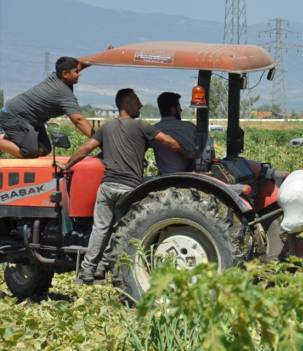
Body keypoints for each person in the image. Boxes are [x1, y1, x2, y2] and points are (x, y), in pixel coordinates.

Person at [59, 88, 185, 283]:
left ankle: (88, 271)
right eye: (137, 102)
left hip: (107, 186)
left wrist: (66, 165)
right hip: (129, 189)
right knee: (119, 231)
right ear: (126, 104)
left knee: (100, 229)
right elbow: (168, 142)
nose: (141, 105)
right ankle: (102, 268)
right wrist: (187, 152)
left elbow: (86, 148)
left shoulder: (106, 128)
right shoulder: (142, 127)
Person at [0, 57, 93, 158]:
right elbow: (78, 120)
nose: (79, 74)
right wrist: (98, 139)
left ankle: (11, 138)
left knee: (44, 149)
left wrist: (104, 55)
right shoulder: (62, 92)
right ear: (65, 74)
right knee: (29, 152)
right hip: (13, 116)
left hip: (31, 120)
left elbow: (80, 64)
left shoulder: (57, 76)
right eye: (76, 72)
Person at [152, 92, 197, 174]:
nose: (181, 110)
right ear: (173, 110)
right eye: (179, 106)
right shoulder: (190, 127)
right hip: (191, 177)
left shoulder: (154, 130)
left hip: (165, 180)